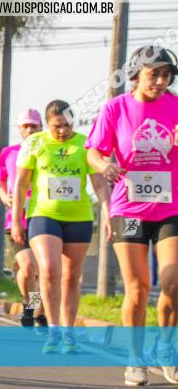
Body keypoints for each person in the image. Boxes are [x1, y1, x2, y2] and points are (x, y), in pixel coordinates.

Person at [85, 45, 178, 386]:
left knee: (173, 281)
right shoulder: (116, 108)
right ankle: (135, 359)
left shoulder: (177, 106)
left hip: (171, 207)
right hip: (129, 208)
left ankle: (166, 347)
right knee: (138, 287)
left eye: (167, 75)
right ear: (136, 75)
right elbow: (94, 151)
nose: (161, 81)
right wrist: (105, 164)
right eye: (155, 74)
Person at [12, 100, 108, 356]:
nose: (62, 131)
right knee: (47, 269)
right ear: (46, 124)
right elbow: (19, 184)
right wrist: (15, 219)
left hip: (78, 216)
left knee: (70, 276)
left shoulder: (84, 143)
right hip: (43, 215)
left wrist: (108, 213)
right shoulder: (34, 143)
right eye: (57, 126)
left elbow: (99, 183)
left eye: (67, 126)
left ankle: (67, 332)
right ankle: (48, 324)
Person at [0, 109, 44, 328]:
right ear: (20, 129)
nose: (30, 130)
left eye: (33, 126)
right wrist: (4, 194)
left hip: (43, 215)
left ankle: (38, 312)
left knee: (42, 270)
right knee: (27, 267)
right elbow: (0, 181)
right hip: (16, 220)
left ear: (41, 127)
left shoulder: (48, 150)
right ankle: (29, 302)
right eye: (25, 126)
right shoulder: (9, 153)